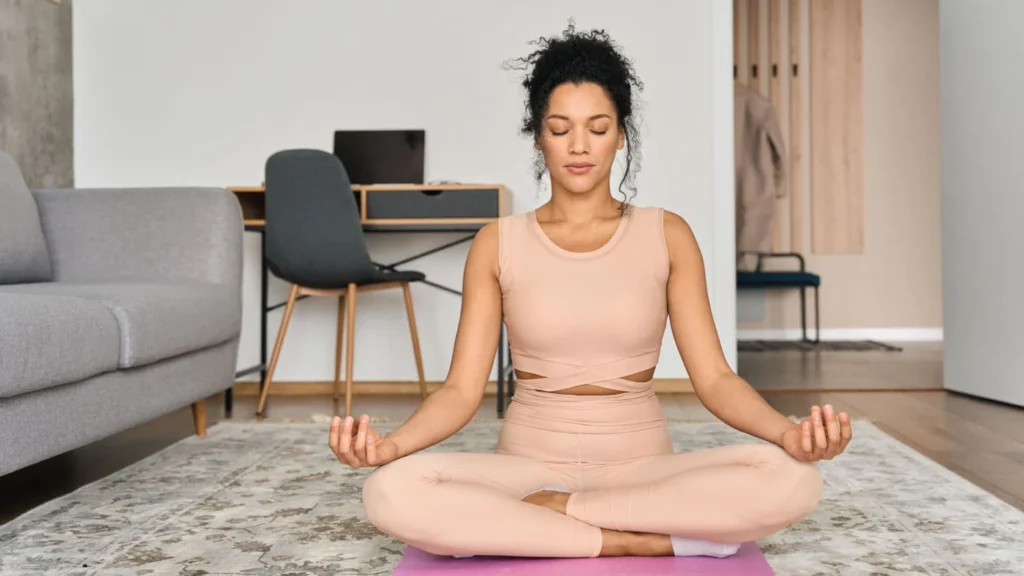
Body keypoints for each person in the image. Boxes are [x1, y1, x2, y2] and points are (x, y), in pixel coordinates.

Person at [328, 23, 852, 559]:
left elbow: (715, 379)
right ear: (537, 135)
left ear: (622, 133)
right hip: (528, 469)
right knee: (390, 490)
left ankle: (558, 520)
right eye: (560, 128)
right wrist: (389, 447)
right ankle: (631, 540)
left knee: (794, 479)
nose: (579, 146)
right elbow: (461, 392)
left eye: (598, 128)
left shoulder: (667, 234)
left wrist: (787, 435)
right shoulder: (497, 243)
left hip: (642, 468)